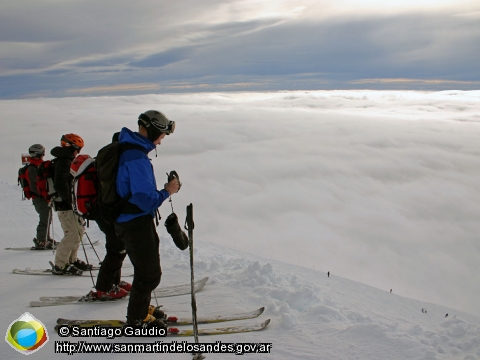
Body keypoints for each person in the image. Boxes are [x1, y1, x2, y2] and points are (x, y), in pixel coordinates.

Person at [114, 110, 179, 327]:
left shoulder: (131, 151)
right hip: (135, 221)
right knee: (149, 274)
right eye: (161, 135)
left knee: (146, 270)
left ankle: (141, 309)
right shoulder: (136, 156)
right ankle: (137, 319)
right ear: (151, 130)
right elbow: (145, 200)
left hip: (130, 220)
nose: (161, 141)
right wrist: (167, 191)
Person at [87, 132, 131, 300]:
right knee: (116, 249)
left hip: (102, 210)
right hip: (107, 211)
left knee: (116, 247)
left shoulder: (105, 157)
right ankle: (103, 288)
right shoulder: (115, 159)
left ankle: (113, 283)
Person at [50, 133, 92, 275]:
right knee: (72, 234)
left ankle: (71, 260)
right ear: (73, 148)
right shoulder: (63, 162)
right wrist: (71, 201)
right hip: (66, 205)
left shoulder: (64, 161)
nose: (78, 153)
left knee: (78, 233)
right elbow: (61, 184)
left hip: (69, 204)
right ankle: (60, 264)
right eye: (78, 149)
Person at [26, 144, 56, 249]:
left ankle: (45, 238)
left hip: (42, 197)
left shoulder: (37, 166)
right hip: (39, 198)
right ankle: (41, 240)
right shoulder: (33, 168)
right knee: (45, 218)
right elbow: (34, 185)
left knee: (47, 218)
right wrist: (43, 195)